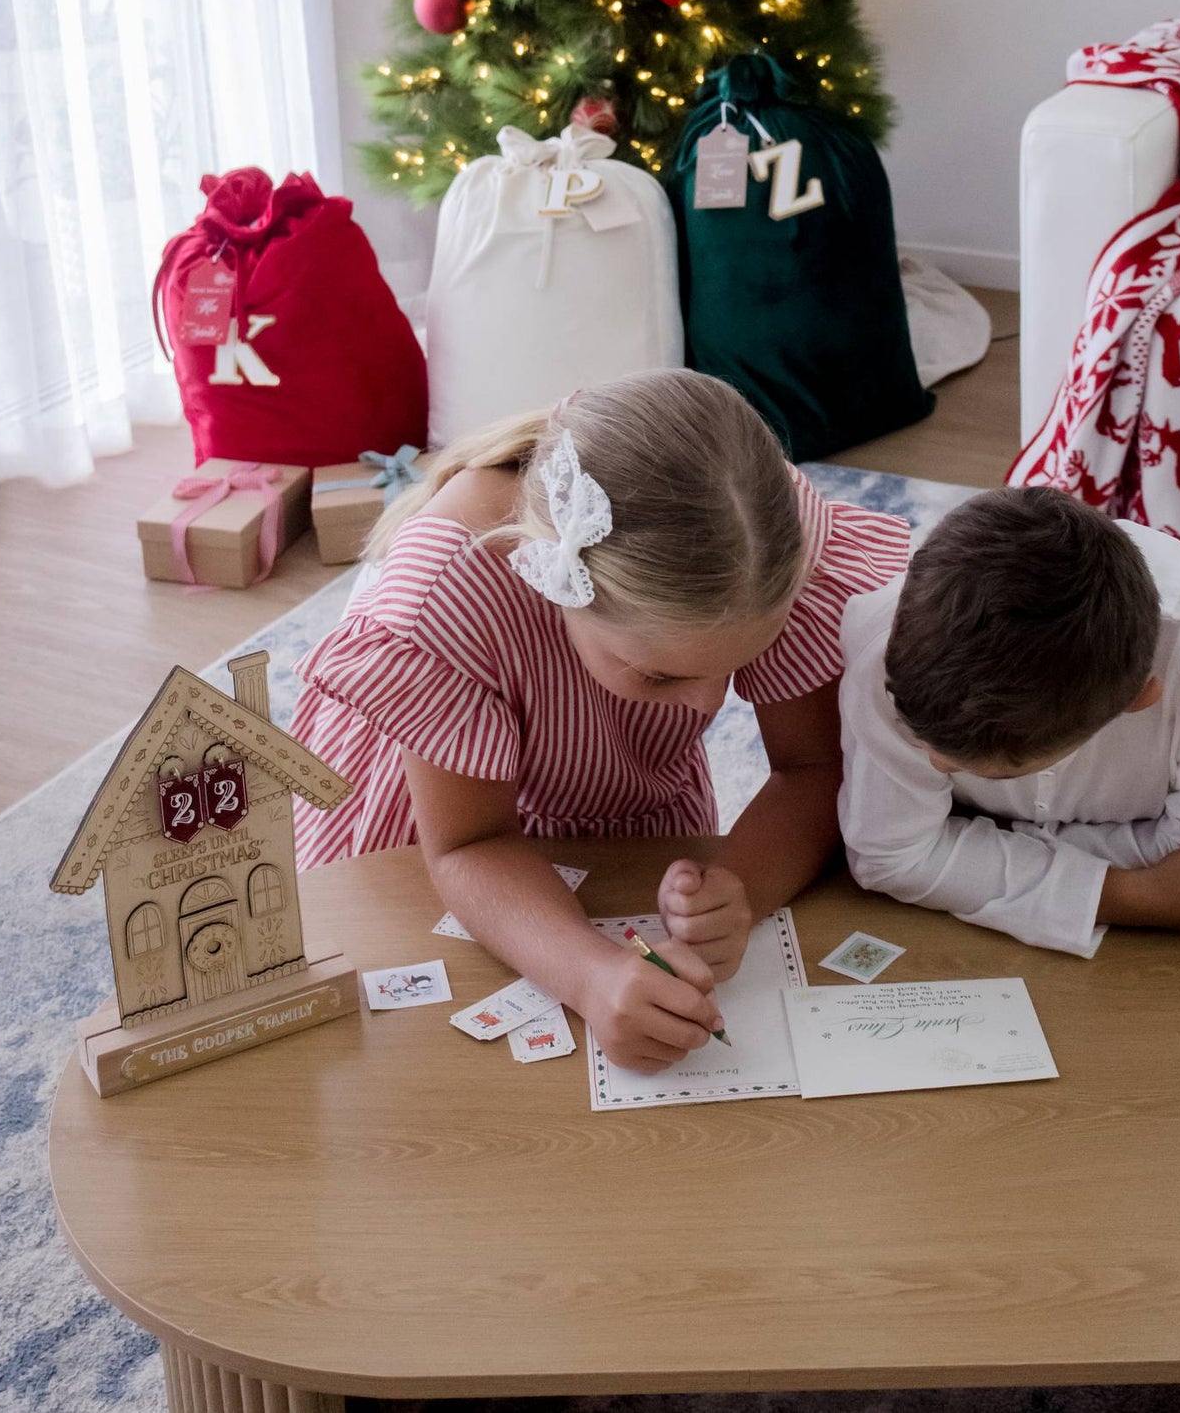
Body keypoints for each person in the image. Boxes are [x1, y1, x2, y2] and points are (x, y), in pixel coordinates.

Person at [291, 369, 908, 1071]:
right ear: (560, 588)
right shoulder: (444, 593)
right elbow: (468, 845)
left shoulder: (758, 542)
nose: (708, 707)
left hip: (624, 775)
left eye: (737, 665)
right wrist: (588, 975)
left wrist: (737, 889)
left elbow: (812, 767)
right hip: (443, 811)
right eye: (659, 675)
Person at [838, 486, 1180, 957]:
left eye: (989, 773)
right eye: (914, 736)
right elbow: (889, 857)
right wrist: (1137, 895)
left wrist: (963, 842)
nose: (932, 762)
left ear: (1137, 700)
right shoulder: (890, 647)